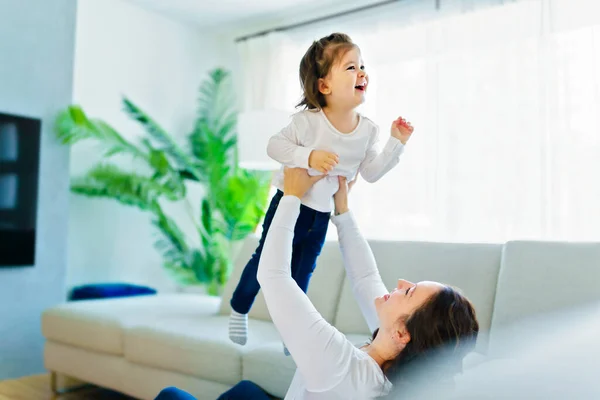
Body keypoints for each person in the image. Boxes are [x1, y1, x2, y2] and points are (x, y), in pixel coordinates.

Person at [156, 168, 479, 400]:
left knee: (171, 396)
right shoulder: (397, 359)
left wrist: (291, 196)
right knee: (246, 392)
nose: (400, 282)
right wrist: (342, 210)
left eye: (409, 291)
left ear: (402, 334)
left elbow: (274, 276)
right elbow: (365, 277)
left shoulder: (344, 366)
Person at [228, 32, 415, 353]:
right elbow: (275, 146)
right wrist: (309, 157)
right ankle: (239, 307)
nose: (362, 73)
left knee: (303, 272)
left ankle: (293, 332)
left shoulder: (367, 130)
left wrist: (396, 142)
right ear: (324, 86)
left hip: (321, 212)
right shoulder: (308, 122)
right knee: (266, 261)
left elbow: (370, 173)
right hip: (288, 203)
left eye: (362, 66)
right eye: (350, 67)